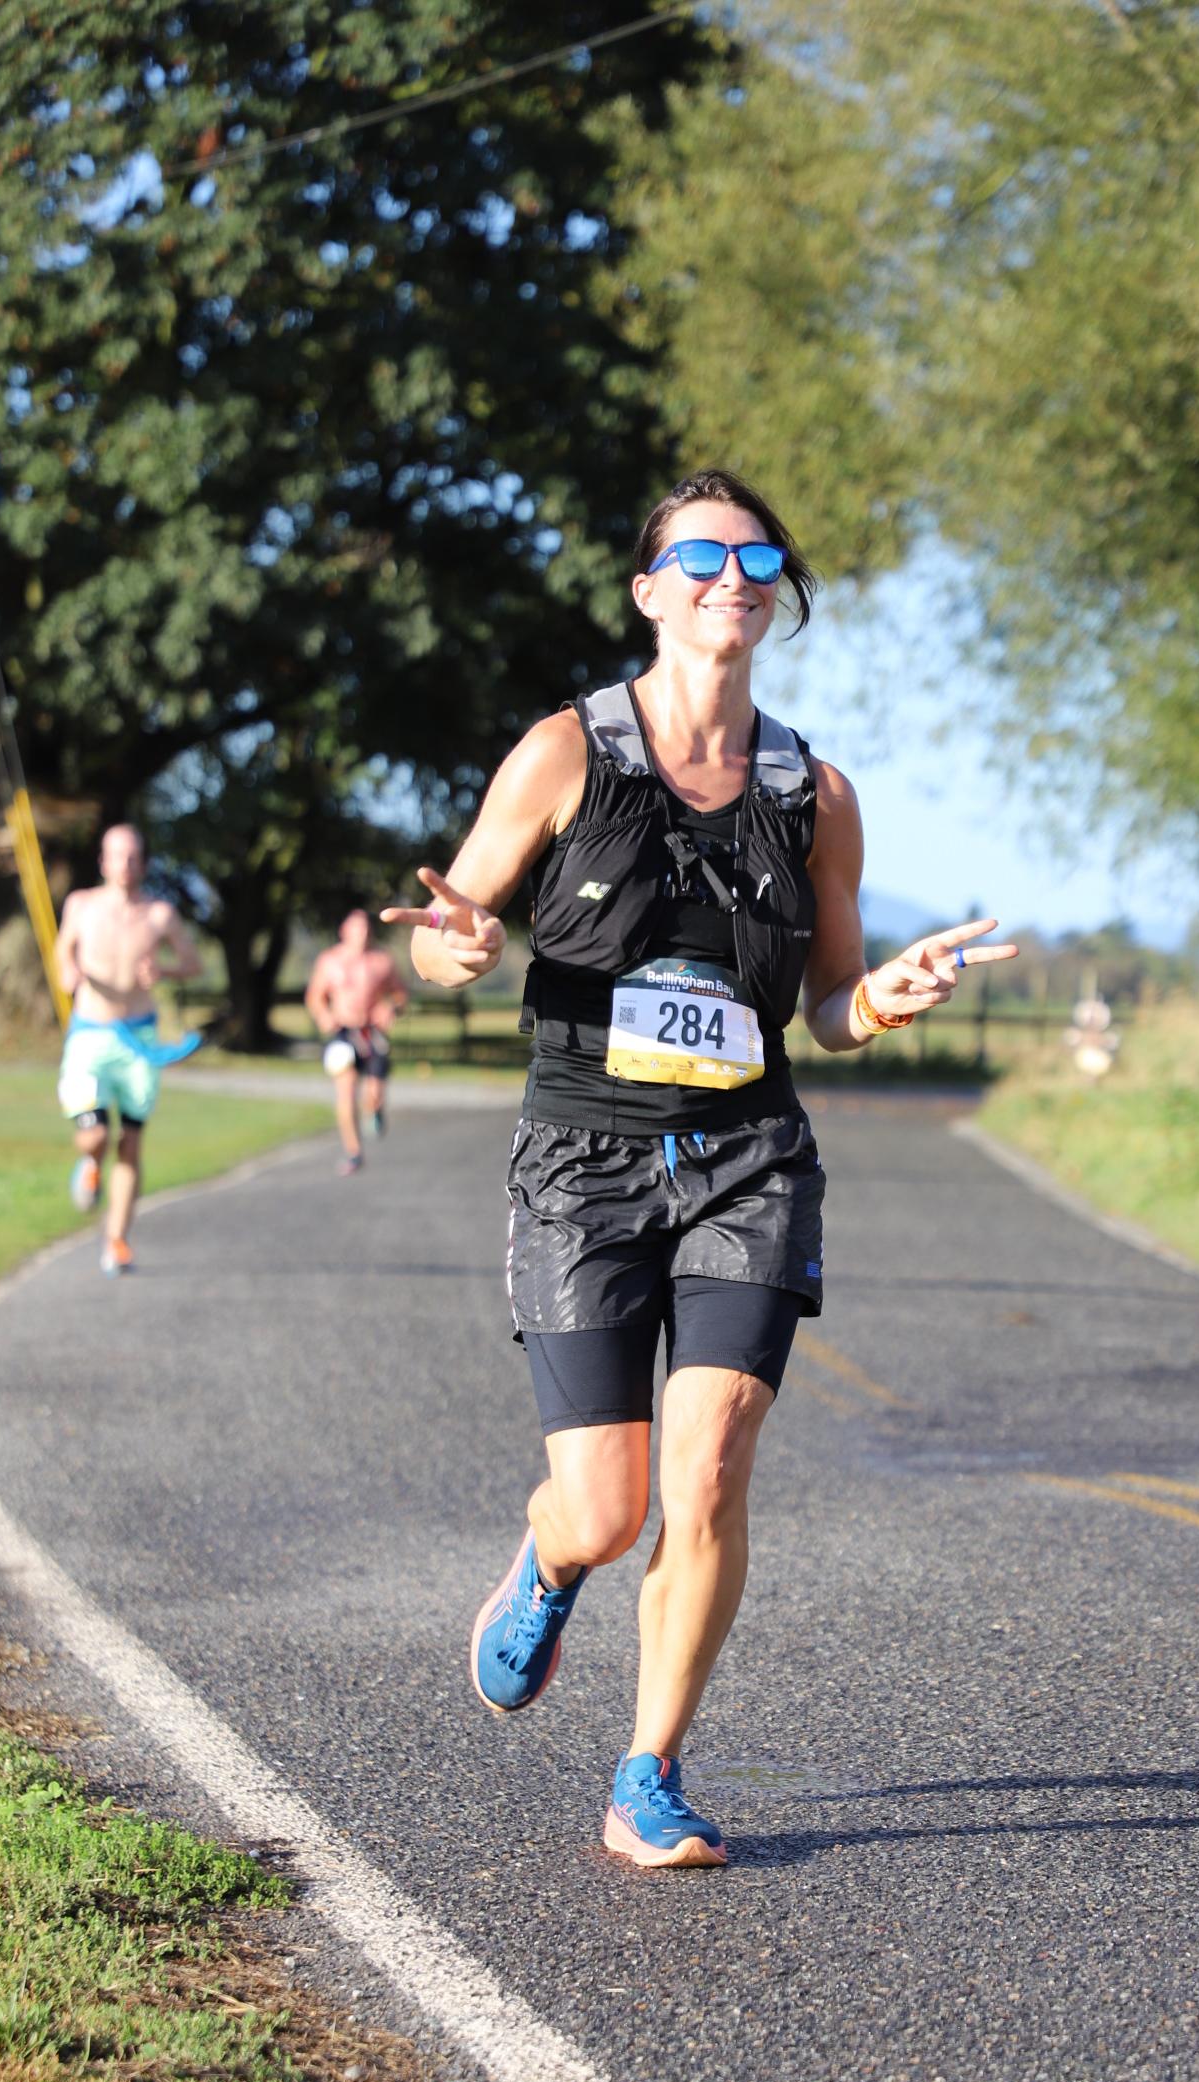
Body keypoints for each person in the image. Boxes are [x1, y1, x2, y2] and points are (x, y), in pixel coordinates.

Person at [384, 467, 1017, 1870]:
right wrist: (460, 949)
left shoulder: (815, 794)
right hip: (584, 1162)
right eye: (703, 556)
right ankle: (550, 1558)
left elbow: (830, 1007)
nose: (734, 576)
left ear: (778, 597)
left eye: (758, 558)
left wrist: (888, 997)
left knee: (714, 1465)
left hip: (747, 1160)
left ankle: (648, 1774)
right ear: (649, 592)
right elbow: (450, 928)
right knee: (607, 1510)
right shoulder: (564, 753)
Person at [54, 823, 202, 1276]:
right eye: (117, 855)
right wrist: (68, 973)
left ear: (145, 864)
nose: (125, 864)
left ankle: (116, 1240)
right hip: (90, 1033)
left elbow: (193, 963)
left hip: (139, 1037)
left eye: (134, 856)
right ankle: (89, 1162)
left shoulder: (159, 915)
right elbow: (62, 952)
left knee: (131, 1143)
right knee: (96, 1134)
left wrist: (163, 971)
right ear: (103, 861)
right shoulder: (81, 905)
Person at [304, 908, 409, 1173]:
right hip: (343, 1032)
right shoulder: (330, 961)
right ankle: (353, 1152)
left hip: (371, 1032)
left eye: (366, 929)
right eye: (356, 928)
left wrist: (391, 1008)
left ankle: (374, 1109)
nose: (362, 934)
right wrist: (323, 1015)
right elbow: (315, 996)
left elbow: (400, 995)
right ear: (344, 931)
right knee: (346, 1090)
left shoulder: (382, 961)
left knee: (373, 1095)